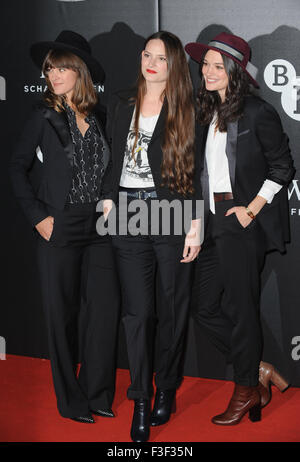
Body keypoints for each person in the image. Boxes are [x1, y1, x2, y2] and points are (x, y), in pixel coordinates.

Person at [185, 32, 294, 425]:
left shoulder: (258, 112)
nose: (209, 71)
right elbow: (201, 175)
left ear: (234, 71)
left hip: (241, 220)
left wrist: (251, 209)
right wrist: (196, 227)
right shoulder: (204, 112)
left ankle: (246, 390)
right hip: (212, 219)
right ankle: (257, 369)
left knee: (243, 310)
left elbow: (282, 166)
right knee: (203, 305)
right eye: (206, 64)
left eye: (218, 65)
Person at [10, 31, 120, 423]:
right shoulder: (42, 115)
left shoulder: (102, 115)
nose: (53, 75)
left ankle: (98, 394)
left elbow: (114, 170)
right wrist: (38, 217)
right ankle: (71, 402)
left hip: (101, 225)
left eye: (61, 68)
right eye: (49, 68)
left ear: (80, 71)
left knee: (103, 314)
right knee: (61, 318)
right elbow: (16, 169)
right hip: (60, 223)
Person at [102, 31, 202, 442]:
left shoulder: (187, 108)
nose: (151, 62)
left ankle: (168, 387)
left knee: (174, 309)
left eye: (160, 57)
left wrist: (195, 224)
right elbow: (111, 159)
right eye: (147, 54)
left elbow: (195, 171)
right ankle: (141, 398)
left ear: (173, 64)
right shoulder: (122, 101)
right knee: (138, 314)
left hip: (171, 213)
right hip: (127, 212)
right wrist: (108, 201)